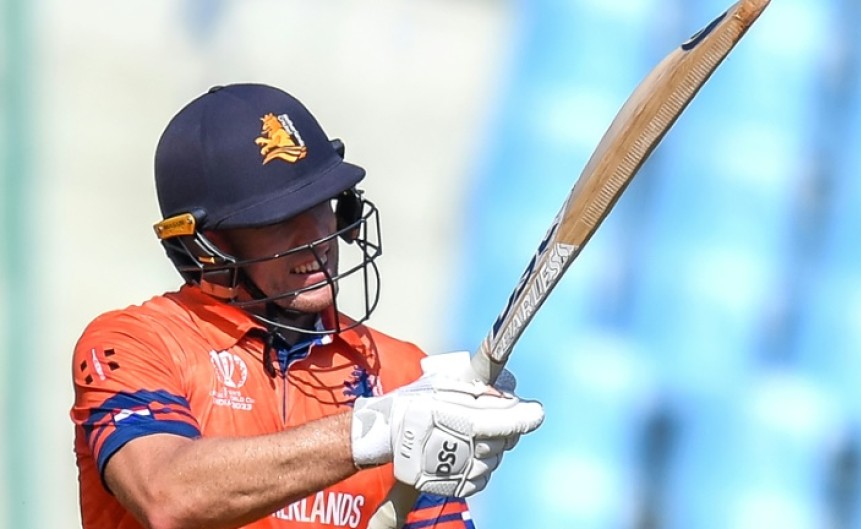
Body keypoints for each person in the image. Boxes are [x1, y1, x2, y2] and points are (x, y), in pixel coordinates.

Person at [70, 83, 544, 529]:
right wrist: (374, 430)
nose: (316, 239)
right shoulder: (133, 344)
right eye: (277, 221)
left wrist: (441, 457)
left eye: (320, 205)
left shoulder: (400, 373)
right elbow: (167, 495)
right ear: (207, 247)